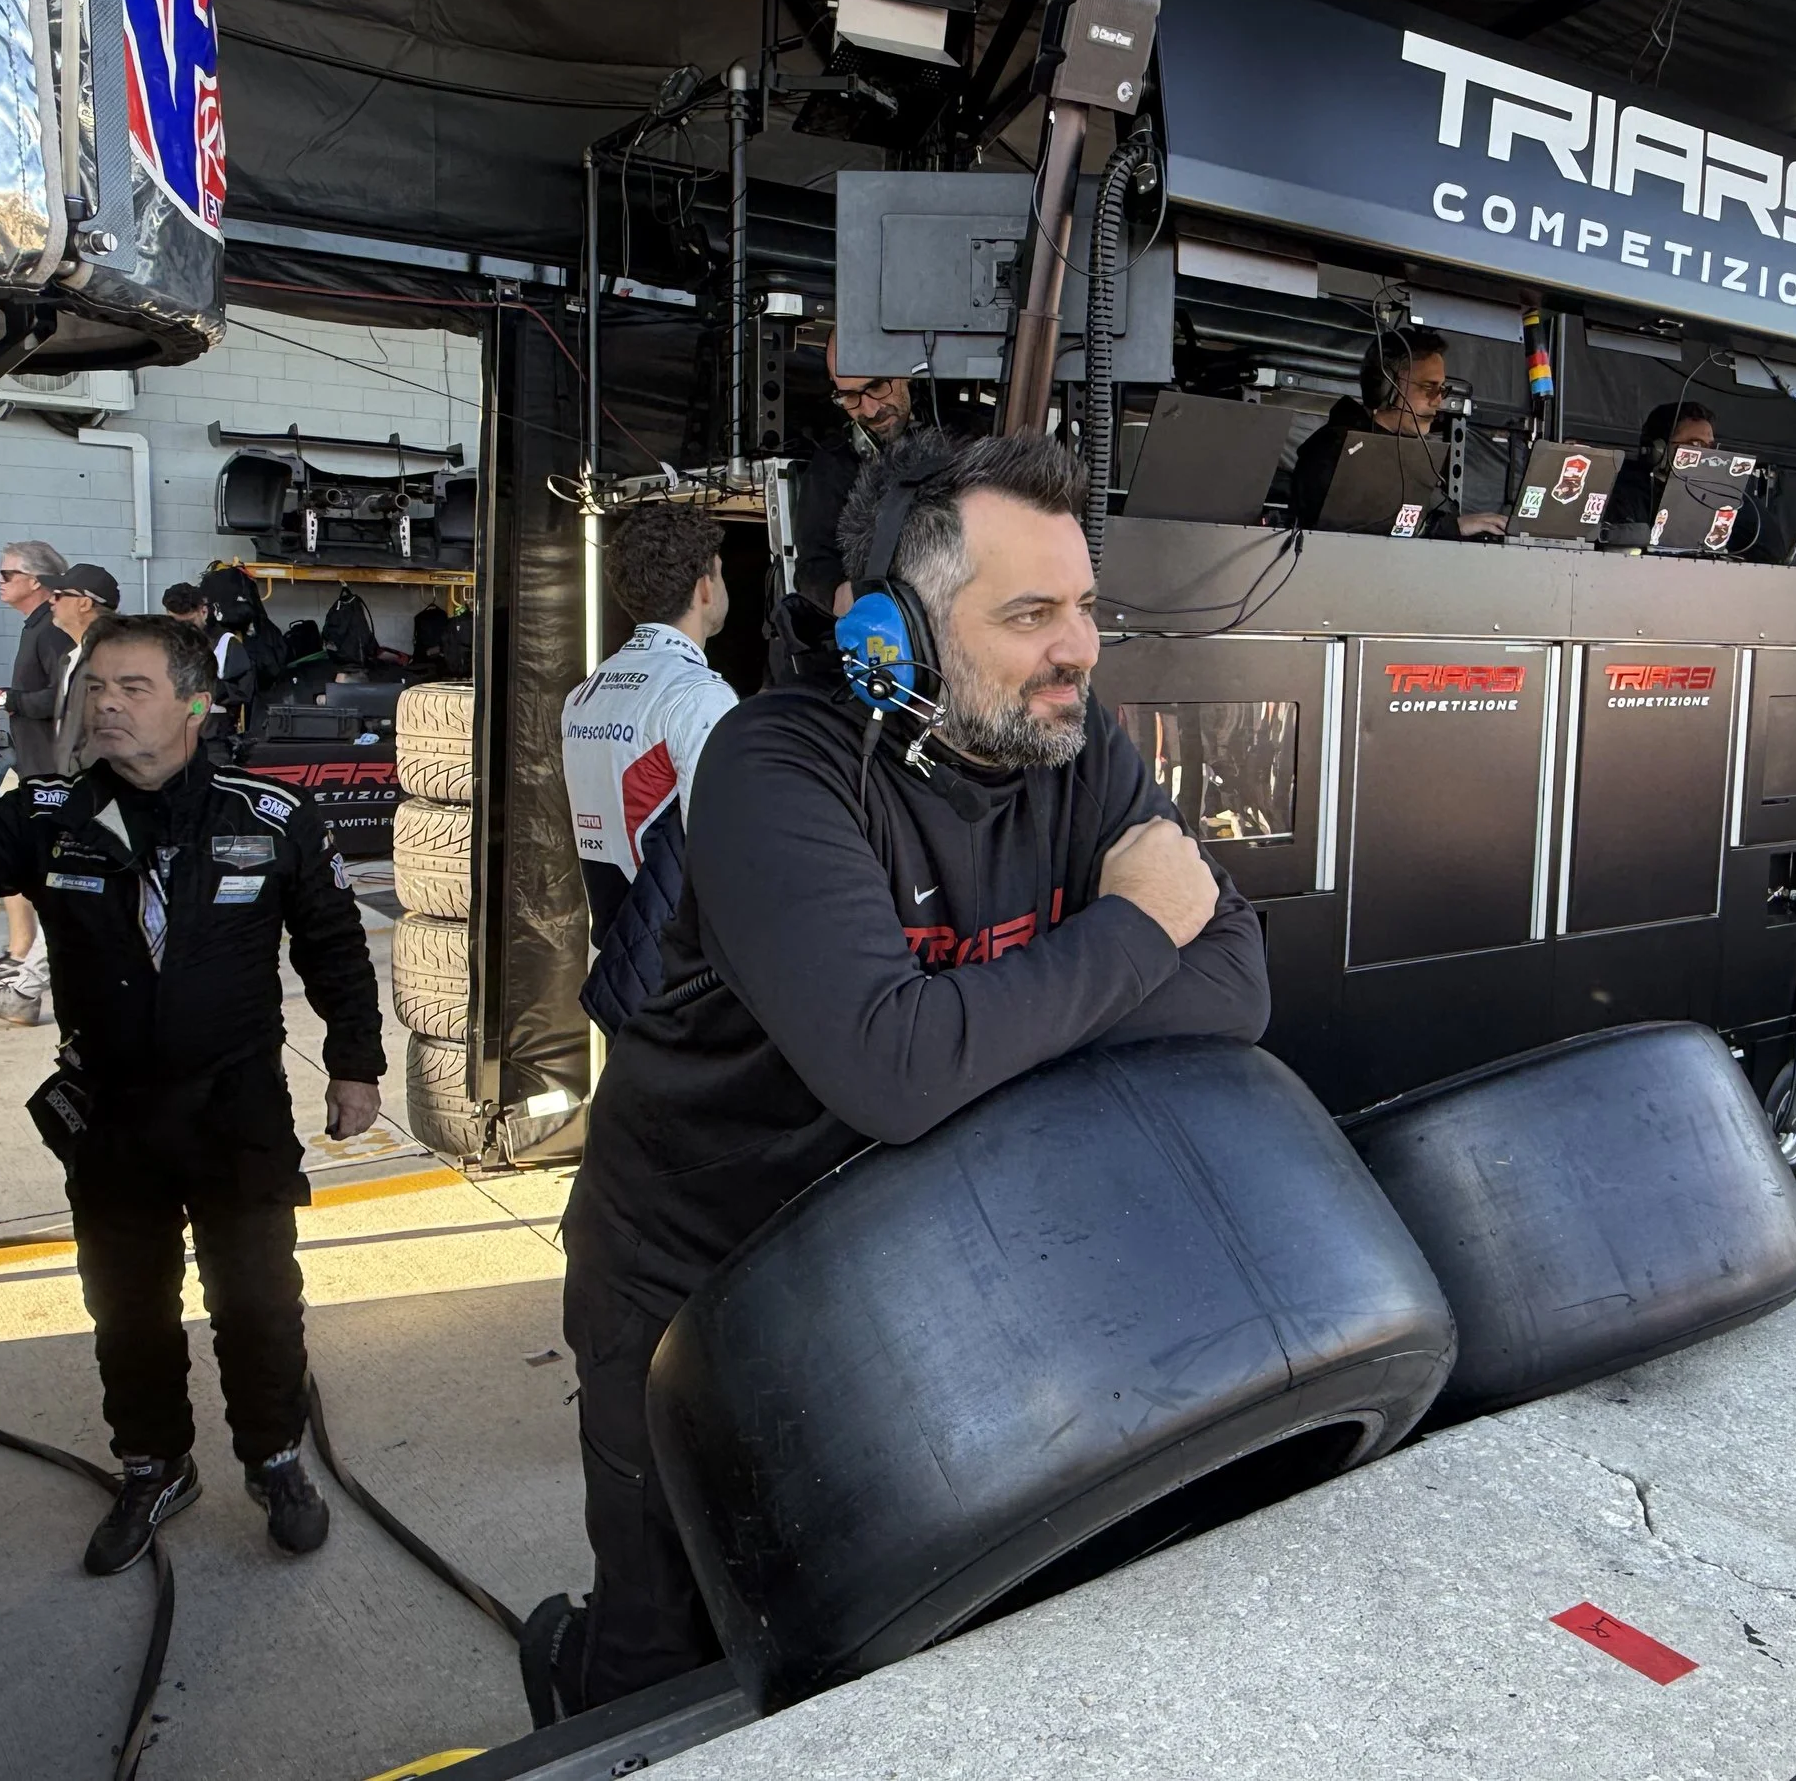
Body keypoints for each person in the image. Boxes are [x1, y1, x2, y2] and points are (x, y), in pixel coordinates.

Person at [521, 429, 1270, 1721]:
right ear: (892, 634)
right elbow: (896, 1068)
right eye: (1030, 612)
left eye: (1085, 606)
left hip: (895, 1263)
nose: (1079, 648)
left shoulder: (1081, 747)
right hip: (688, 1266)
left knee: (850, 1615)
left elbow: (1237, 987)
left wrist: (966, 1022)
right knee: (671, 1639)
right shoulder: (775, 763)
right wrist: (1128, 930)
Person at [0, 614, 385, 1576]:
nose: (105, 703)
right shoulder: (47, 813)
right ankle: (154, 1463)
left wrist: (356, 1065)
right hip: (110, 1116)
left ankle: (274, 1459)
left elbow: (335, 949)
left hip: (237, 1113)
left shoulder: (266, 816)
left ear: (195, 702)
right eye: (95, 686)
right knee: (128, 1305)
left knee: (259, 1301)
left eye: (132, 687)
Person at [560, 503, 738, 1030]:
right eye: (721, 571)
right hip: (684, 982)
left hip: (619, 962)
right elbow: (722, 856)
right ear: (705, 585)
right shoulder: (699, 697)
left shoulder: (584, 694)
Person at [0, 539, 74, 1022]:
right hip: (31, 768)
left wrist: (3, 700)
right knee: (14, 858)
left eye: (7, 575)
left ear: (37, 582)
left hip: (55, 773)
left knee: (64, 878)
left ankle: (25, 980)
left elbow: (66, 699)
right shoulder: (39, 628)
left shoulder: (54, 631)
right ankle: (20, 956)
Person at [1291, 327, 1506, 537]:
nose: (1438, 401)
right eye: (1428, 387)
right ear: (1386, 387)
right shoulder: (1333, 450)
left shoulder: (1411, 454)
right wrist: (1450, 528)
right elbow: (1353, 529)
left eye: (1442, 389)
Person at [788, 329, 914, 615]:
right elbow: (812, 568)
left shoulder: (969, 431)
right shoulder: (833, 465)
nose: (869, 410)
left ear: (906, 368)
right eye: (849, 396)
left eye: (878, 386)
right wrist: (842, 594)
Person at [164, 580, 257, 758]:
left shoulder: (226, 644)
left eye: (189, 622)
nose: (183, 629)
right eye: (175, 622)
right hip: (171, 741)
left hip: (212, 743)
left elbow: (244, 691)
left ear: (203, 611)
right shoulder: (166, 643)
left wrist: (208, 685)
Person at [46, 564, 120, 780]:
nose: (51, 600)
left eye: (59, 595)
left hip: (95, 787)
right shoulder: (70, 658)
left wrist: (78, 768)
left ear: (85, 603)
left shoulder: (111, 655)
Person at [1605, 399, 1718, 530]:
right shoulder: (1622, 492)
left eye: (1709, 446)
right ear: (1659, 449)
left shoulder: (1711, 495)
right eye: (1695, 444)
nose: (1706, 454)